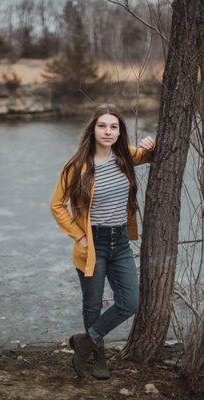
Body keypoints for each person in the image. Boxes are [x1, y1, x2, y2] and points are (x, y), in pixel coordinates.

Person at [50, 104, 156, 380]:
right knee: (93, 304)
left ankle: (87, 339)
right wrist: (80, 235)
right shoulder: (76, 166)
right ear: (93, 129)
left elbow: (151, 155)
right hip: (92, 244)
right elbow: (57, 205)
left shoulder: (125, 157)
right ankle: (98, 358)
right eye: (102, 126)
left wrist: (151, 144)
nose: (108, 131)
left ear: (119, 132)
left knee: (129, 302)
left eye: (113, 127)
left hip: (120, 241)